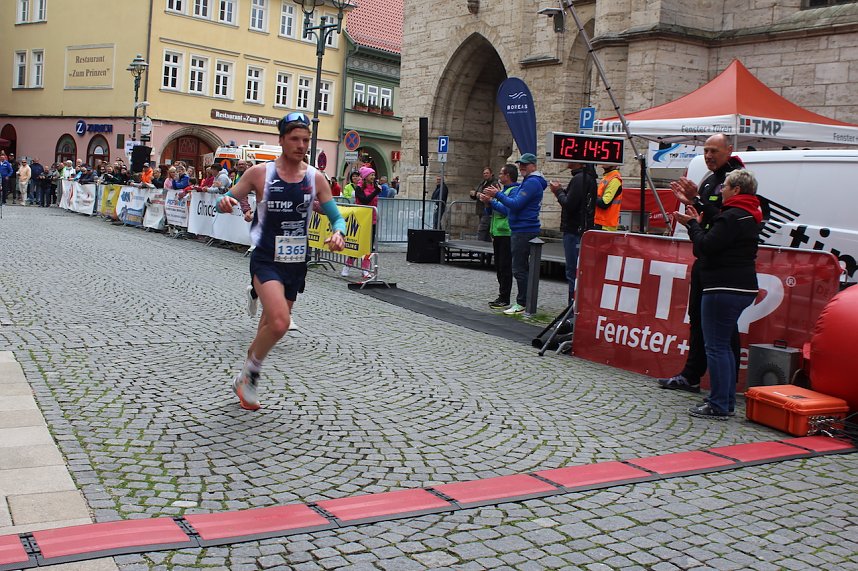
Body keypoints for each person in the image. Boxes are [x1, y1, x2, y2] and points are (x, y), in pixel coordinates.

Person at [216, 112, 346, 411]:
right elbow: (227, 199)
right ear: (282, 140)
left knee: (270, 324)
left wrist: (338, 232)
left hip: (296, 261)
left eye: (306, 140)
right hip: (265, 258)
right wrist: (226, 202)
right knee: (280, 322)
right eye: (295, 139)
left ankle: (246, 373)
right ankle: (251, 374)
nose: (301, 145)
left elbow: (336, 216)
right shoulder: (259, 173)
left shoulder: (315, 177)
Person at [658, 133, 745, 393]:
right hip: (704, 257)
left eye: (714, 151)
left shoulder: (736, 180)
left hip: (723, 264)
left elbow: (728, 218)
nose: (708, 156)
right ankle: (691, 375)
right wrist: (693, 209)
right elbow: (706, 215)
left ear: (729, 150)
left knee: (724, 326)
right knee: (696, 317)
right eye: (706, 151)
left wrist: (696, 202)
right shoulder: (709, 180)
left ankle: (727, 388)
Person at [673, 169, 761, 419]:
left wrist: (691, 224)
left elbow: (705, 247)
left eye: (724, 187)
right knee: (722, 346)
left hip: (723, 286)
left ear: (736, 190)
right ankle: (726, 400)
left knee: (717, 347)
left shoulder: (732, 217)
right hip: (742, 286)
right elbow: (719, 222)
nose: (720, 190)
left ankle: (719, 403)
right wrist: (697, 204)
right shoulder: (748, 213)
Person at [483, 153, 547, 315]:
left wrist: (497, 195)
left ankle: (522, 303)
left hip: (523, 229)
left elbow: (516, 205)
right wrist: (492, 201)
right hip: (519, 229)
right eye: (521, 164)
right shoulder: (529, 182)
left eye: (525, 164)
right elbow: (510, 207)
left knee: (518, 269)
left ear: (533, 165)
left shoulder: (531, 183)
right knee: (517, 267)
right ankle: (522, 302)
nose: (522, 167)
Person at [549, 162, 597, 304]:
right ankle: (575, 307)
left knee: (573, 272)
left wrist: (557, 191)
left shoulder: (580, 179)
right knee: (576, 271)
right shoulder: (588, 178)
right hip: (580, 229)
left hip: (574, 230)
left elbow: (569, 204)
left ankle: (573, 308)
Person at [479, 163, 518, 309]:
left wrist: (492, 200)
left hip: (506, 232)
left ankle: (505, 297)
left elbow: (506, 210)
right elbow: (493, 213)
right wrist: (488, 204)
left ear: (508, 176)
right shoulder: (503, 191)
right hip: (497, 232)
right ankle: (501, 295)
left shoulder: (514, 191)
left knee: (505, 266)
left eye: (501, 174)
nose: (499, 176)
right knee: (499, 267)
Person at [352, 166, 382, 278]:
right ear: (365, 177)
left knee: (369, 246)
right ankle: (348, 264)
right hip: (362, 218)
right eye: (371, 175)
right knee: (358, 243)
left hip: (372, 218)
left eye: (374, 175)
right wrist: (376, 192)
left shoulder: (374, 187)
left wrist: (376, 190)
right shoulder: (359, 188)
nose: (373, 177)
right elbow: (364, 200)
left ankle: (365, 269)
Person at [471, 167, 497, 241]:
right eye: (484, 173)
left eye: (487, 173)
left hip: (488, 209)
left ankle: (479, 249)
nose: (485, 174)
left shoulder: (493, 183)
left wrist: (478, 194)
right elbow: (476, 193)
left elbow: (488, 195)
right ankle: (486, 251)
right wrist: (474, 194)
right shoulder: (482, 182)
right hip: (481, 209)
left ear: (491, 174)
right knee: (486, 232)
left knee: (482, 230)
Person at [594, 164, 622, 231]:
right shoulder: (607, 177)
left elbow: (604, 203)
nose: (605, 162)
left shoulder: (614, 180)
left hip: (606, 226)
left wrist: (591, 195)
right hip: (601, 222)